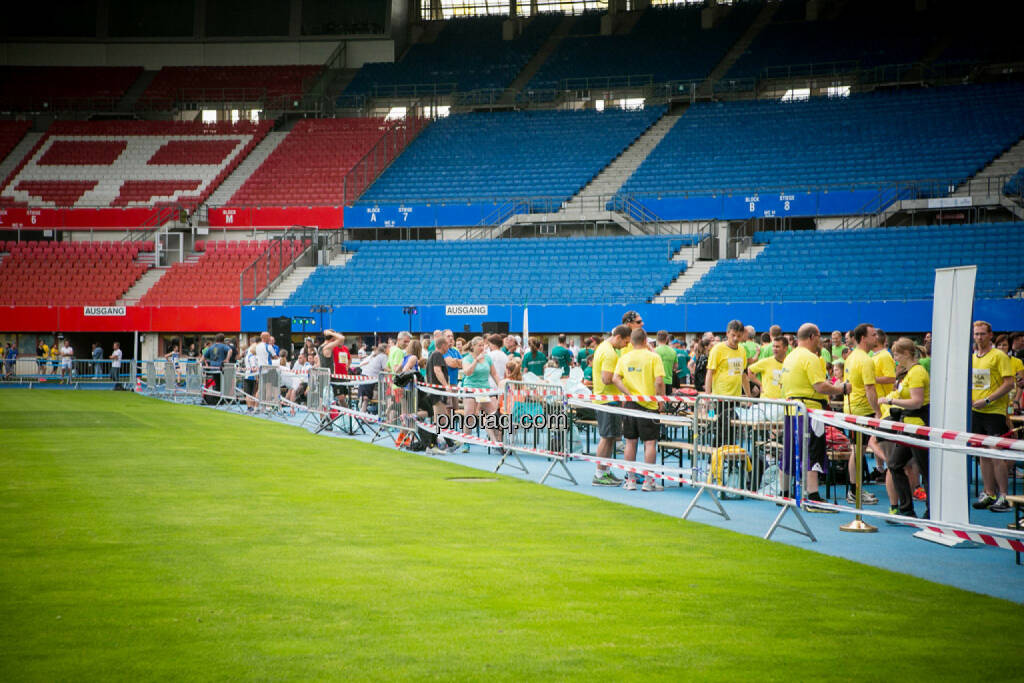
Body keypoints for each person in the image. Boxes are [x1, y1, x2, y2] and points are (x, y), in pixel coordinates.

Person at [781, 323, 850, 509]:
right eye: (819, 336)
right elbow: (820, 386)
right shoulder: (810, 358)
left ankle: (784, 494)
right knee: (813, 451)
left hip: (791, 410)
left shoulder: (790, 357)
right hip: (809, 410)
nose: (821, 340)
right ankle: (812, 495)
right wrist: (841, 388)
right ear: (812, 337)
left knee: (789, 450)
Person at [876, 338, 930, 520]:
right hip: (908, 426)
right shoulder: (909, 373)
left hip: (918, 427)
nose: (895, 358)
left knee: (925, 470)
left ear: (906, 354)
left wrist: (891, 401)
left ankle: (931, 510)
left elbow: (917, 401)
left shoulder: (917, 372)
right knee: (894, 464)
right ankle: (907, 508)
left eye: (897, 354)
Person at [612, 327, 666, 492]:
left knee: (630, 441)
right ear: (645, 341)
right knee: (650, 443)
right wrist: (661, 399)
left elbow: (615, 378)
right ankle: (648, 481)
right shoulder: (653, 357)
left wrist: (627, 393)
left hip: (630, 404)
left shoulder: (624, 357)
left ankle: (631, 480)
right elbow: (659, 381)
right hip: (649, 404)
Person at [970, 321, 1015, 512]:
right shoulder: (972, 357)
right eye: (976, 334)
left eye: (982, 334)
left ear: (990, 335)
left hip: (993, 411)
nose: (979, 337)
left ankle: (1004, 496)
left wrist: (988, 400)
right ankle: (989, 493)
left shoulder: (999, 356)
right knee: (982, 455)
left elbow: (1009, 384)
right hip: (975, 412)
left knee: (996, 454)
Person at [843, 323, 880, 505]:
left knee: (857, 450)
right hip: (861, 410)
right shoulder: (865, 360)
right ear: (863, 338)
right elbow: (869, 388)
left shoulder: (851, 357)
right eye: (873, 335)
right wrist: (878, 412)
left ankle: (854, 489)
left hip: (853, 408)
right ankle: (853, 490)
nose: (876, 338)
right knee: (858, 451)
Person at [590, 325, 631, 487]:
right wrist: (621, 382)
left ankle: (604, 471)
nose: (626, 345)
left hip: (605, 398)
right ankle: (599, 474)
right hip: (607, 399)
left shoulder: (604, 347)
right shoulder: (610, 353)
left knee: (609, 437)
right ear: (619, 337)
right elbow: (607, 379)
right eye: (626, 342)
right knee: (606, 437)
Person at [461, 336, 502, 450]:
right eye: (479, 345)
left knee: (494, 414)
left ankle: (496, 441)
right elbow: (467, 372)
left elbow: (494, 374)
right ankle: (466, 441)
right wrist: (476, 361)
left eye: (482, 345)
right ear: (473, 346)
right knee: (469, 414)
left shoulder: (488, 358)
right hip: (470, 389)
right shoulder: (467, 359)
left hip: (485, 390)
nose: (481, 347)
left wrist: (501, 386)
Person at [705, 319, 749, 397]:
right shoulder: (717, 349)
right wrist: (707, 397)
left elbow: (743, 375)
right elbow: (710, 373)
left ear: (742, 335)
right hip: (720, 397)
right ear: (727, 333)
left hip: (737, 398)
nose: (736, 338)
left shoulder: (742, 350)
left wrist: (749, 396)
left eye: (739, 336)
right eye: (733, 335)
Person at [748, 335, 788, 399]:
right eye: (773, 346)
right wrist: (760, 385)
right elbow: (749, 370)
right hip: (767, 402)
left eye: (777, 347)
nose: (774, 349)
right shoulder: (766, 362)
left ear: (785, 348)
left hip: (783, 401)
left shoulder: (789, 362)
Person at [359, 344, 388, 413]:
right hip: (370, 377)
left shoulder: (374, 355)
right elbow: (386, 368)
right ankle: (363, 414)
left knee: (365, 397)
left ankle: (363, 413)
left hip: (364, 375)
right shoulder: (383, 356)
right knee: (366, 398)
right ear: (385, 349)